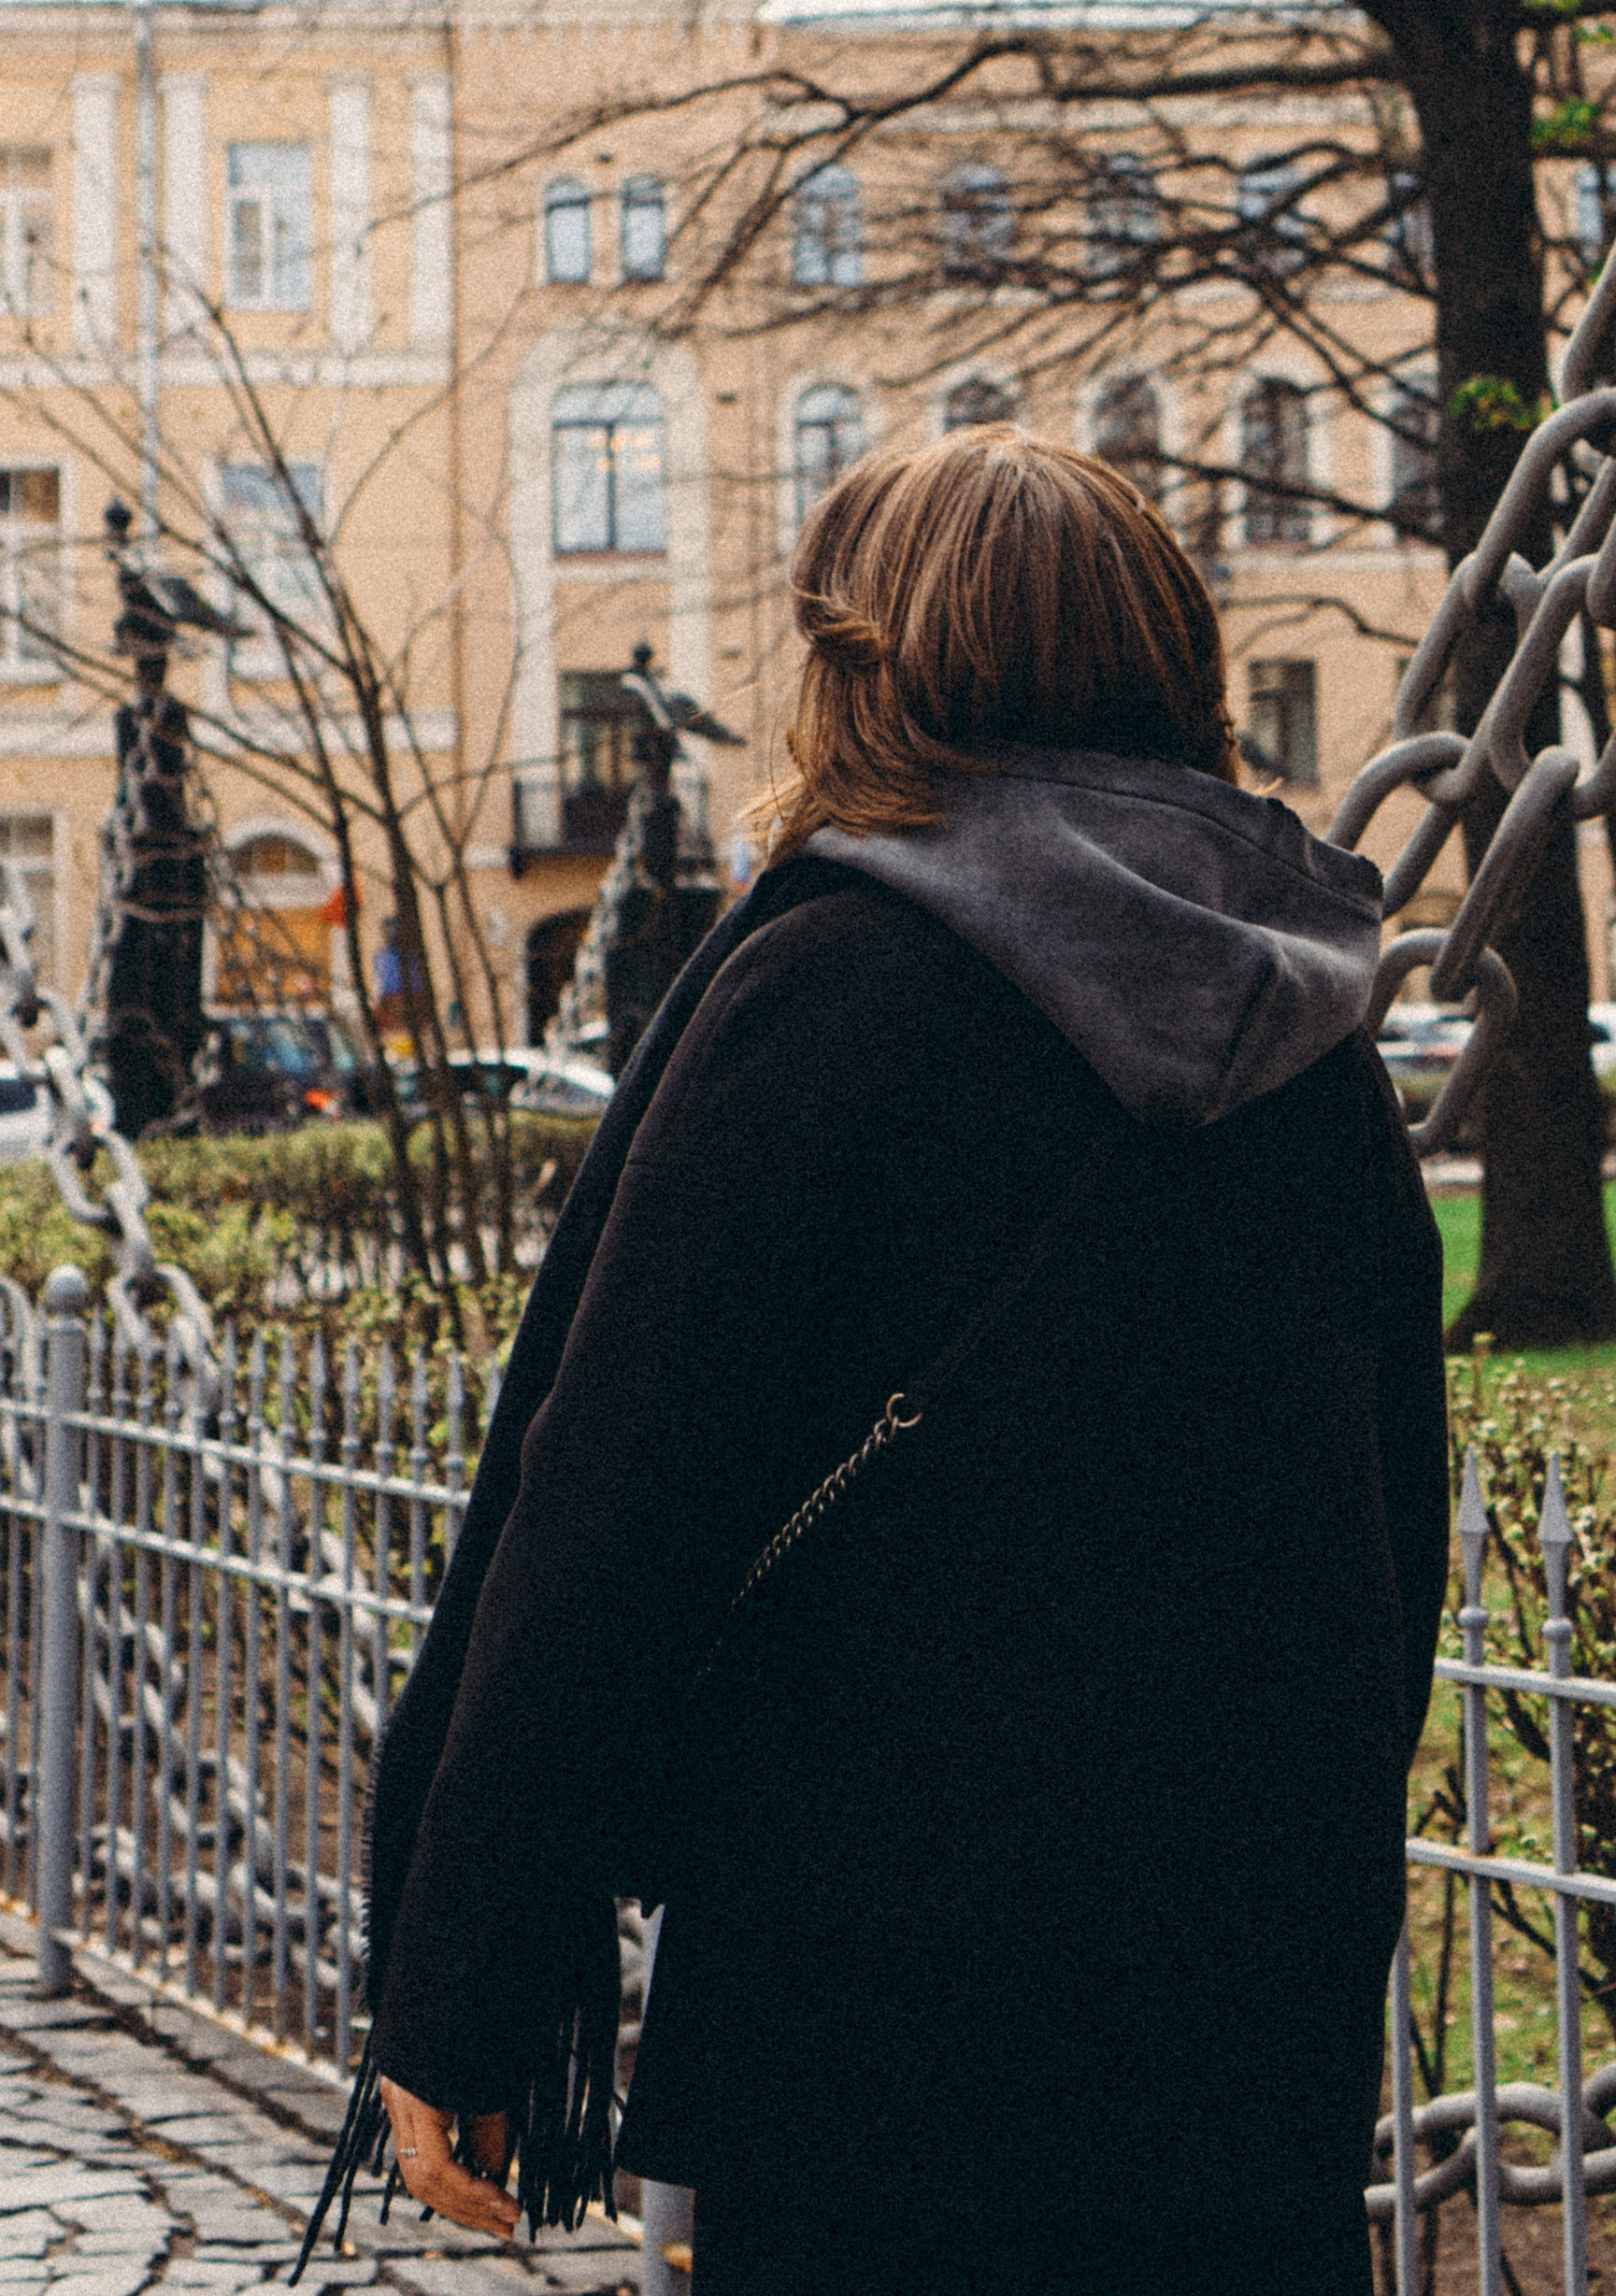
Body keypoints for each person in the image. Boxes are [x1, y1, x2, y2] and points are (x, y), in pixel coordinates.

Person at [326, 429, 1450, 2296]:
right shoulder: (1299, 1028)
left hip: (869, 2025)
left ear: (870, 662)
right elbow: (1381, 1532)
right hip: (1234, 2014)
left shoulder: (832, 982)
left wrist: (470, 1974)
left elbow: (611, 1502)